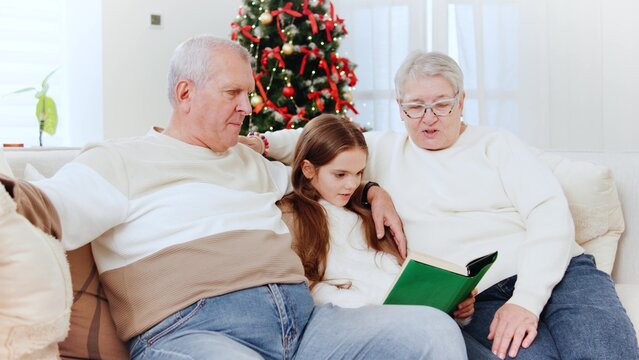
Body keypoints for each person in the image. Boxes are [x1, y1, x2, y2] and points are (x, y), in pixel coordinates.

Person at [0, 36, 470, 359]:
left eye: (248, 93)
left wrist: (371, 188)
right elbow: (43, 205)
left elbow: (316, 155)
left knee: (431, 331)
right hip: (193, 333)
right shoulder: (120, 161)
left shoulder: (252, 165)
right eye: (233, 93)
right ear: (185, 93)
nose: (247, 107)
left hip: (306, 327)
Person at [257, 51, 639, 360]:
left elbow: (550, 214)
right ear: (399, 107)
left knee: (603, 352)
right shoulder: (383, 148)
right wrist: (259, 143)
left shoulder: (497, 145)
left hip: (565, 275)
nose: (428, 119)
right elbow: (313, 142)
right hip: (479, 298)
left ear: (461, 102)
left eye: (440, 105)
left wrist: (527, 301)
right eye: (414, 108)